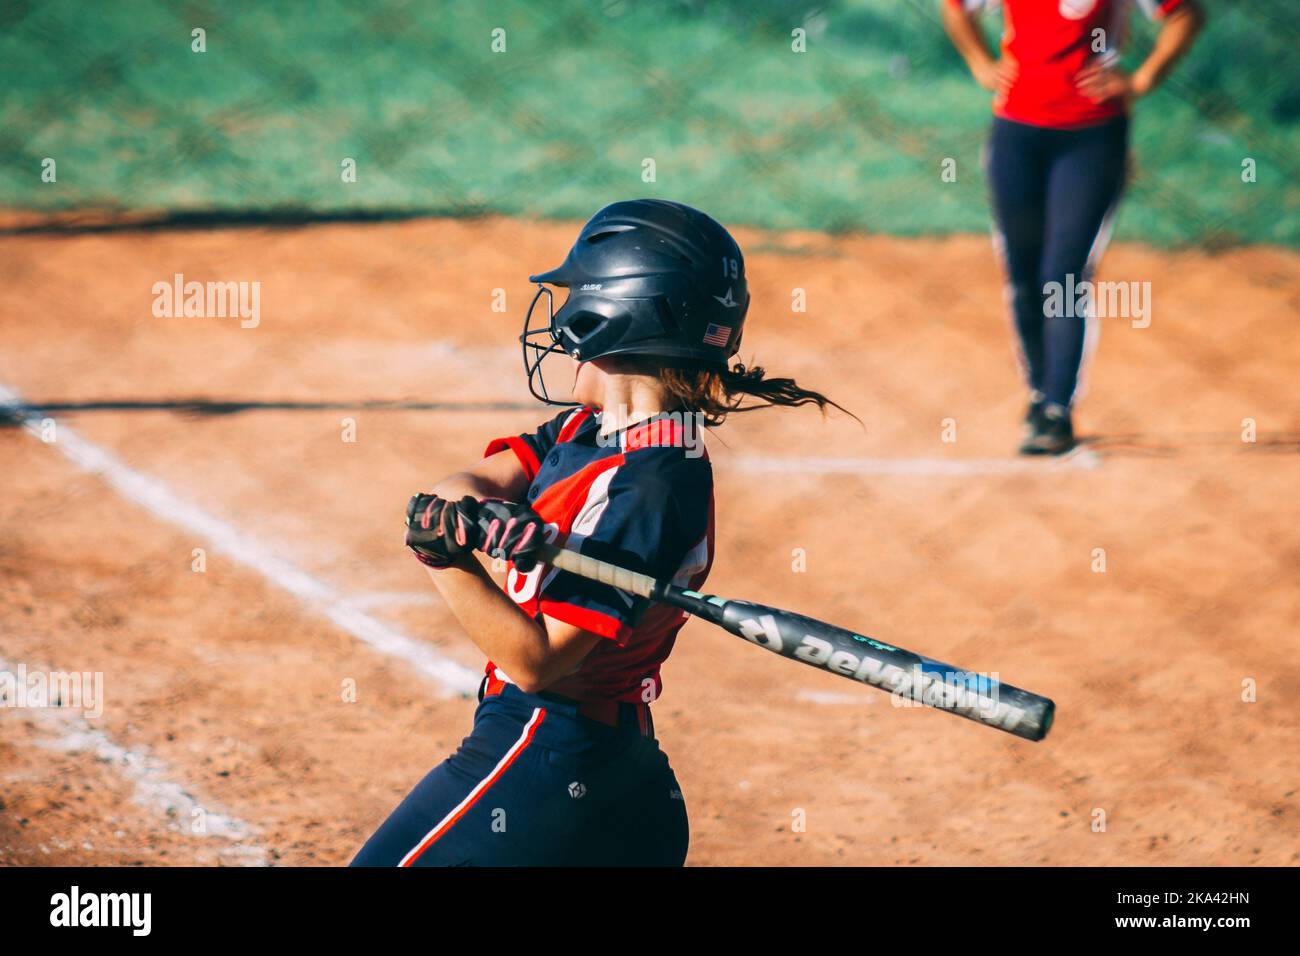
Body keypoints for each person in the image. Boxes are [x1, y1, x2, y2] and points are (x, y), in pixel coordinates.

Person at [351, 199, 850, 866]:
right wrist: (480, 516)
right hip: (619, 769)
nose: (560, 325)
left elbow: (536, 661)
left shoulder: (650, 487)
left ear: (617, 317)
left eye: (573, 303)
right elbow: (469, 481)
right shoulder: (587, 433)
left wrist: (447, 561)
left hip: (547, 757)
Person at [941, 0, 1204, 453]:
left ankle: (1058, 409)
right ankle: (1042, 392)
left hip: (1091, 137)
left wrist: (1141, 78)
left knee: (1063, 273)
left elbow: (1186, 15)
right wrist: (980, 62)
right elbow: (956, 8)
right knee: (1022, 275)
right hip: (1016, 134)